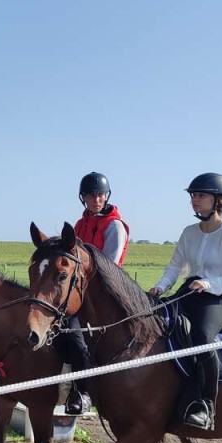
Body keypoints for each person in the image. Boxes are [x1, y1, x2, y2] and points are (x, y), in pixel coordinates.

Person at [148, 173, 222, 431]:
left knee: (202, 338)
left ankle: (205, 405)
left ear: (218, 200)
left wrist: (209, 284)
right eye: (193, 195)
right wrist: (161, 286)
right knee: (154, 322)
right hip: (189, 292)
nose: (194, 199)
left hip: (218, 299)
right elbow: (175, 266)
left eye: (201, 195)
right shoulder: (189, 233)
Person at [61, 172, 130, 415]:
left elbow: (109, 268)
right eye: (91, 196)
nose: (96, 199)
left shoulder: (114, 226)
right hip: (81, 291)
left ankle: (84, 392)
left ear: (106, 196)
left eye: (100, 195)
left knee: (78, 335)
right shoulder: (80, 225)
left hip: (104, 291)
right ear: (83, 198)